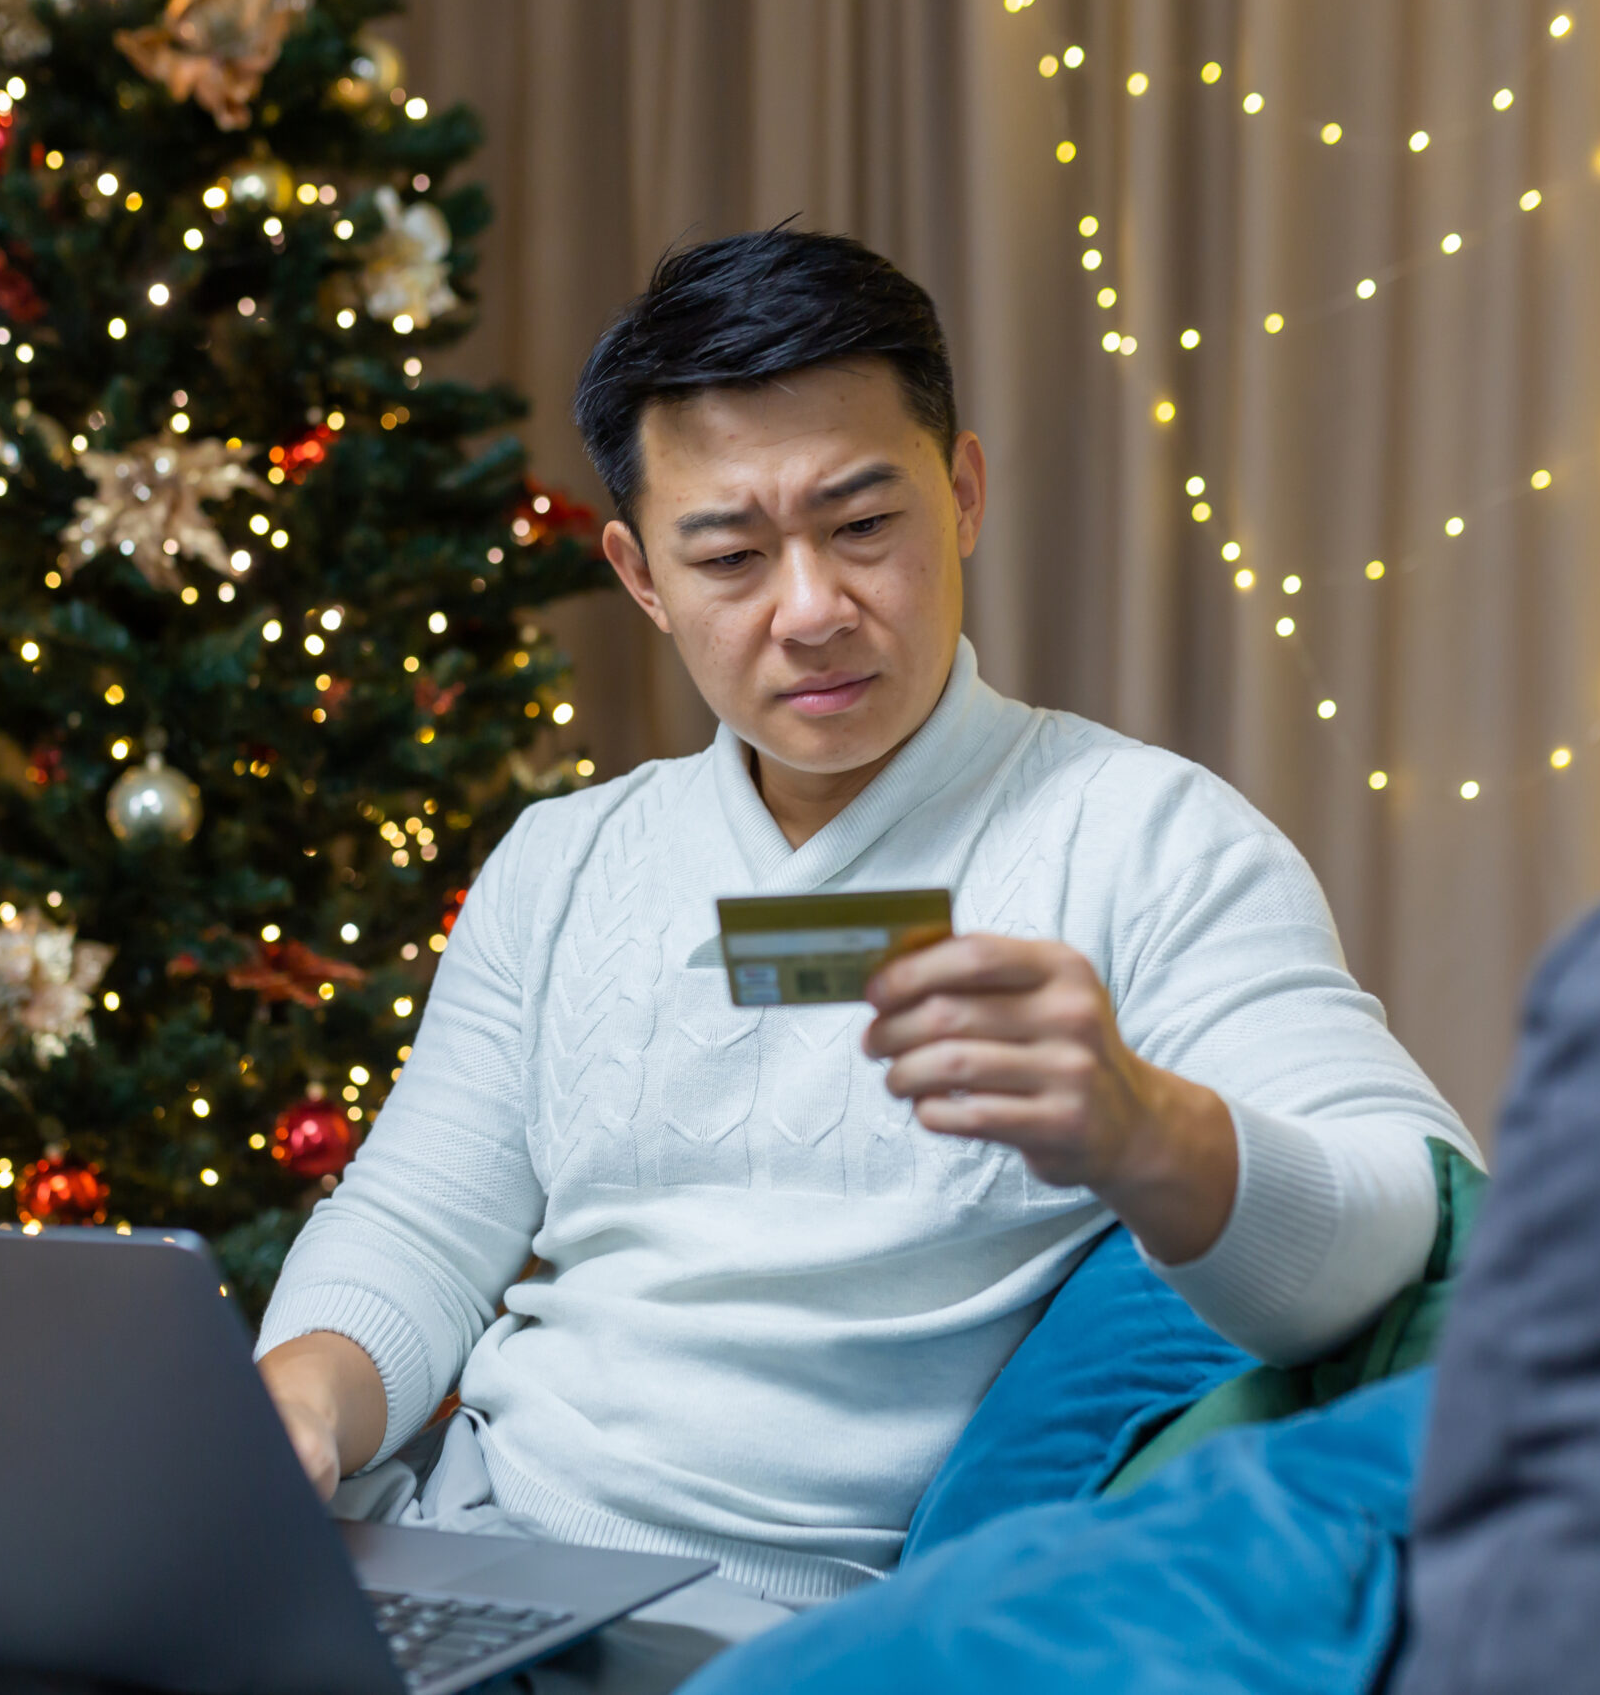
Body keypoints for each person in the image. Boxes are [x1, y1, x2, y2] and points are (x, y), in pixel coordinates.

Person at [253, 227, 1476, 1676]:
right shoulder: (568, 861)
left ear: (961, 494)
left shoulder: (1146, 839)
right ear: (642, 577)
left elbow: (1410, 1233)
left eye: (863, 525)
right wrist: (305, 1401)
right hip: (480, 1558)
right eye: (732, 553)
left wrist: (1152, 1135)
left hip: (797, 1638)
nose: (813, 609)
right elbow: (417, 1224)